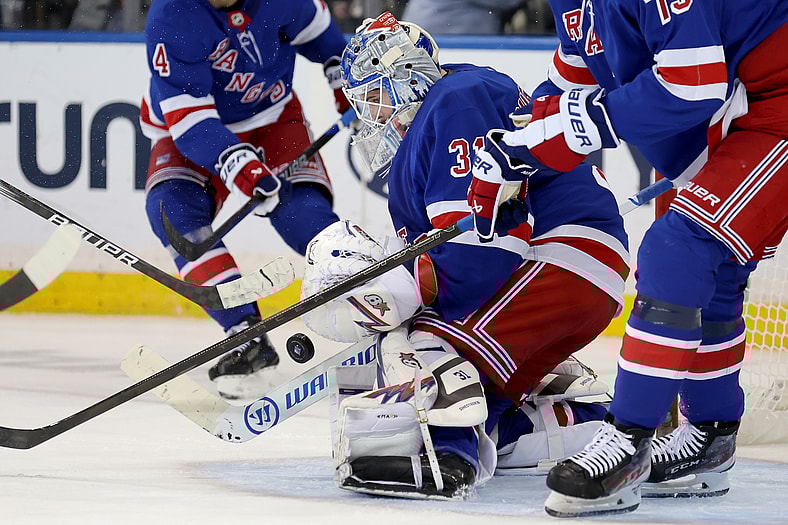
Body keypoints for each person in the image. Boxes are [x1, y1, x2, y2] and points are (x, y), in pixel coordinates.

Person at [465, 0, 788, 517]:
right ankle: (711, 435)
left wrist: (547, 139)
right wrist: (510, 148)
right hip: (737, 106)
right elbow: (568, 83)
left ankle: (627, 441)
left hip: (771, 100)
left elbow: (691, 82)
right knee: (709, 272)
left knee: (676, 250)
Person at [298, 12, 630, 499]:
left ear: (403, 76)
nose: (369, 114)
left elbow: (488, 245)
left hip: (562, 256)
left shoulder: (456, 100)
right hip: (574, 266)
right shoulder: (443, 114)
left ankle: (448, 457)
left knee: (423, 341)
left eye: (373, 95)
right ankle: (600, 423)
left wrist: (398, 292)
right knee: (488, 407)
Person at [139, 0, 350, 402]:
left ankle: (379, 302)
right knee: (173, 212)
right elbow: (190, 118)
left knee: (303, 215)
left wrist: (344, 79)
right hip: (191, 130)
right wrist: (239, 164)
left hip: (272, 120)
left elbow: (322, 36)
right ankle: (244, 335)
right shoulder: (172, 14)